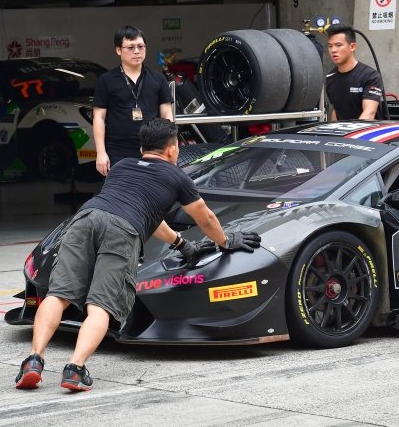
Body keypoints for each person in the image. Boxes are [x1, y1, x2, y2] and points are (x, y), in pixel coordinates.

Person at [15, 118, 261, 391]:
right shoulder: (177, 177)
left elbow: (147, 216)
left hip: (85, 218)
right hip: (122, 230)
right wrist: (226, 241)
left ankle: (33, 360)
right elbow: (206, 219)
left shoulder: (122, 166)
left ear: (143, 148)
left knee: (58, 294)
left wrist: (182, 245)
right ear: (172, 149)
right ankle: (75, 368)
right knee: (101, 305)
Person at [94, 25, 174, 176]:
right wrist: (101, 153)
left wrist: (168, 147)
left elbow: (167, 116)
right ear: (118, 50)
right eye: (130, 47)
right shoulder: (106, 80)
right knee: (119, 191)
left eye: (140, 46)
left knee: (153, 191)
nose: (137, 51)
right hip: (117, 153)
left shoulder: (158, 79)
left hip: (153, 151)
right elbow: (99, 117)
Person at [324, 24, 384, 121]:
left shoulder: (369, 76)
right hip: (342, 130)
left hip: (367, 130)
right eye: (330, 46)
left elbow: (369, 113)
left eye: (338, 45)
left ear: (352, 46)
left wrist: (352, 131)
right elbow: (337, 110)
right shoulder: (331, 77)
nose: (333, 50)